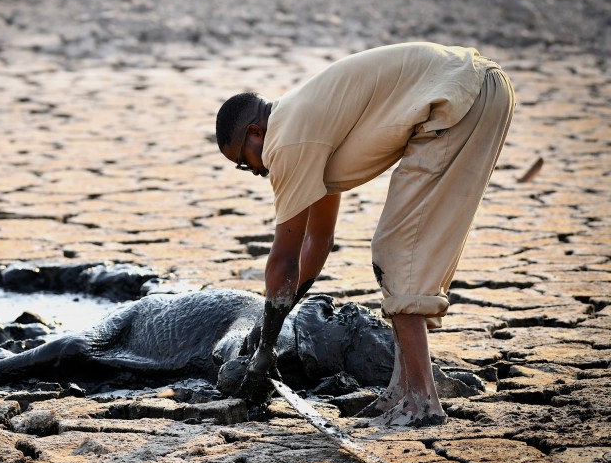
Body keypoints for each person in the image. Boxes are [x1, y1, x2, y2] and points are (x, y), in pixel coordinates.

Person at [215, 42, 514, 427]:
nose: (255, 172)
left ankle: (422, 400)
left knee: (396, 252)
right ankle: (402, 387)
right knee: (408, 250)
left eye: (244, 162)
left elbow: (284, 258)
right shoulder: (306, 125)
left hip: (461, 97)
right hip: (474, 90)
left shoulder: (285, 141)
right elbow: (316, 242)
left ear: (256, 132)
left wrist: (266, 345)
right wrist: (269, 325)